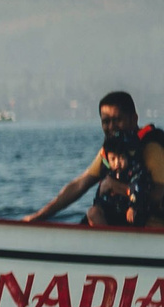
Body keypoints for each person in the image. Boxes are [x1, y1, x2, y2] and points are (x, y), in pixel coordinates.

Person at [24, 91, 164, 228]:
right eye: (106, 121)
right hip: (119, 225)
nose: (111, 127)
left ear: (134, 119)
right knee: (93, 214)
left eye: (117, 120)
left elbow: (159, 195)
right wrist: (37, 217)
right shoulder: (110, 152)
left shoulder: (151, 148)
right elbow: (79, 185)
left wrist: (116, 187)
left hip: (150, 228)